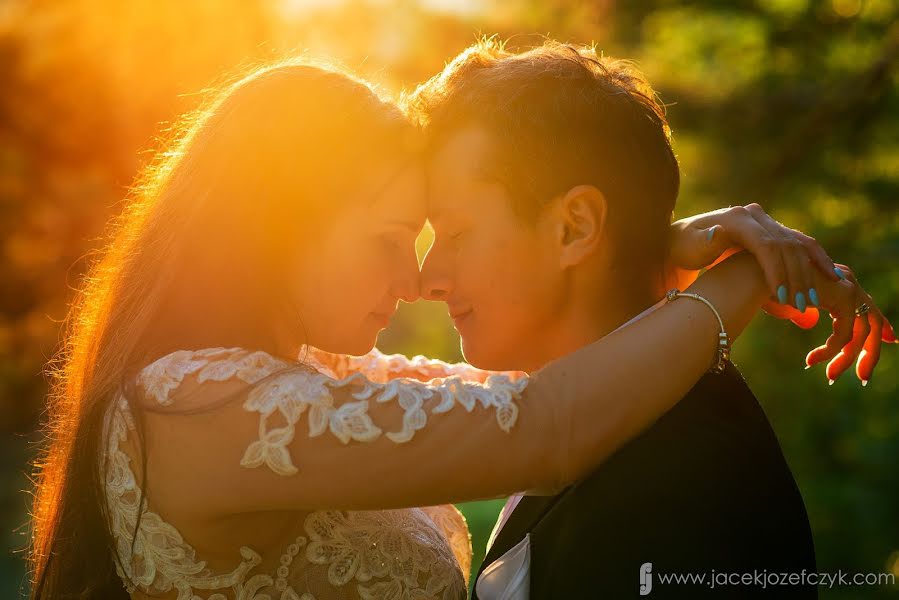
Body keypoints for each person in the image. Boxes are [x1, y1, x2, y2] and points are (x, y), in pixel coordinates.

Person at [26, 57, 888, 600]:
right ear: (277, 225)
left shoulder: (291, 377)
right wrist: (736, 280)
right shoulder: (205, 406)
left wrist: (644, 243)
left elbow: (528, 396)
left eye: (442, 236)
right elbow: (543, 423)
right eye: (389, 239)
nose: (417, 281)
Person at [408, 39, 891, 598]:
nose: (427, 278)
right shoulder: (611, 416)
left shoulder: (688, 480)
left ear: (574, 228)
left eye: (457, 234)